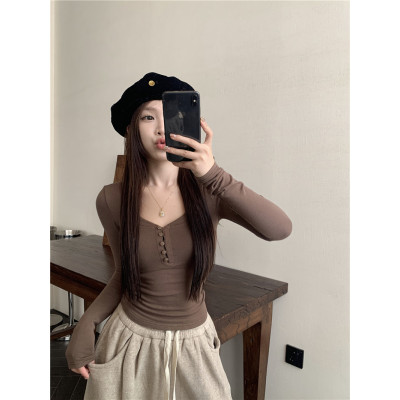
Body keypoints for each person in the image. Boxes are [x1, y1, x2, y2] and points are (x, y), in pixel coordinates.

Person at [65, 72, 292, 400]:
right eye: (148, 117)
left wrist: (214, 175)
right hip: (128, 343)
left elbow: (280, 229)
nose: (161, 128)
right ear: (131, 130)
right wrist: (86, 323)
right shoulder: (112, 199)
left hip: (194, 346)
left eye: (170, 115)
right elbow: (124, 274)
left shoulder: (210, 191)